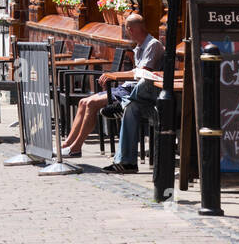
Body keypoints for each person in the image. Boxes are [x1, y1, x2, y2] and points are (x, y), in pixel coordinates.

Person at [59, 12, 163, 168]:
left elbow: (142, 73)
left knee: (92, 103)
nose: (126, 33)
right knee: (83, 101)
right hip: (126, 87)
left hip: (137, 92)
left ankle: (76, 148)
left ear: (130, 29)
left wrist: (113, 75)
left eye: (126, 29)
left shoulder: (152, 45)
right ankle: (67, 144)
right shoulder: (139, 46)